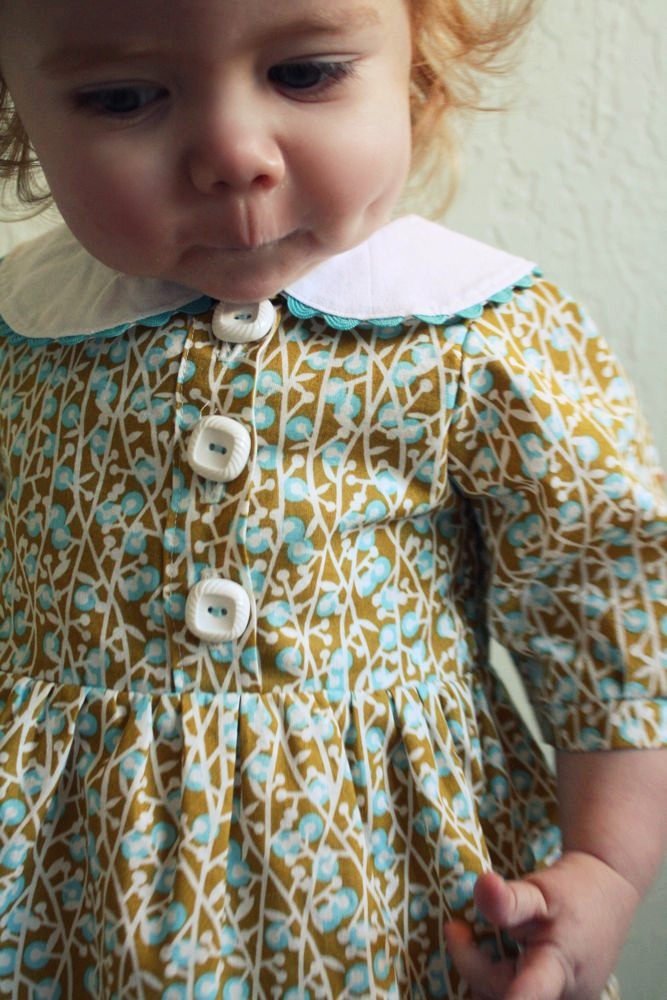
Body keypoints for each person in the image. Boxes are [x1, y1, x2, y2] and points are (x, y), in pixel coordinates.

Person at [0, 0, 665, 997]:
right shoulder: (23, 333)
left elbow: (610, 611)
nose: (234, 156)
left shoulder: (472, 333)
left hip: (398, 894)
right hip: (60, 888)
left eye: (304, 74)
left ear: (417, 63)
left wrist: (605, 868)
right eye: (122, 96)